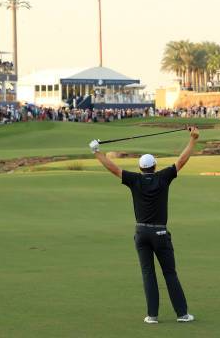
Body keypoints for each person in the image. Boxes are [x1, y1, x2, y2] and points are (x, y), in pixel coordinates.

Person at [89, 127, 199, 324]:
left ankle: (152, 316)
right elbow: (181, 161)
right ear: (155, 166)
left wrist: (97, 152)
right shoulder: (163, 177)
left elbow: (113, 168)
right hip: (160, 233)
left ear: (140, 168)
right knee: (169, 273)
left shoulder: (135, 180)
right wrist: (193, 139)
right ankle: (182, 314)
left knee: (148, 274)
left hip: (141, 233)